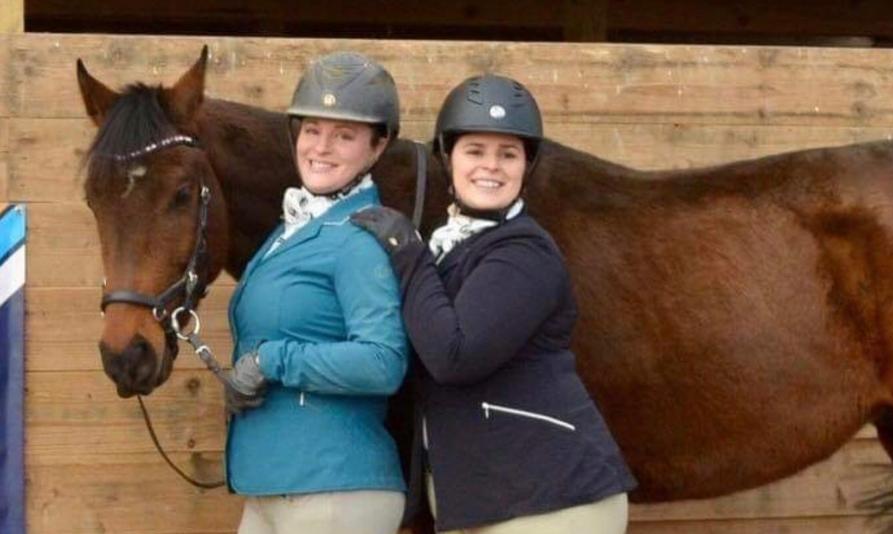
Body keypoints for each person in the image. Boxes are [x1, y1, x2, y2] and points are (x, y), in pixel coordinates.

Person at [352, 74, 637, 533]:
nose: (492, 166)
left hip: (551, 500)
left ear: (527, 166)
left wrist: (408, 252)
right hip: (493, 497)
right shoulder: (454, 248)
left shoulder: (525, 253)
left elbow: (454, 355)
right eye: (475, 151)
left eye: (508, 154)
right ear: (448, 157)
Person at [224, 51, 409, 534]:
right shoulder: (292, 229)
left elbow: (382, 361)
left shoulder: (357, 238)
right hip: (272, 485)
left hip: (334, 488)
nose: (321, 148)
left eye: (344, 135)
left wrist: (272, 360)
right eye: (312, 130)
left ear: (376, 147)